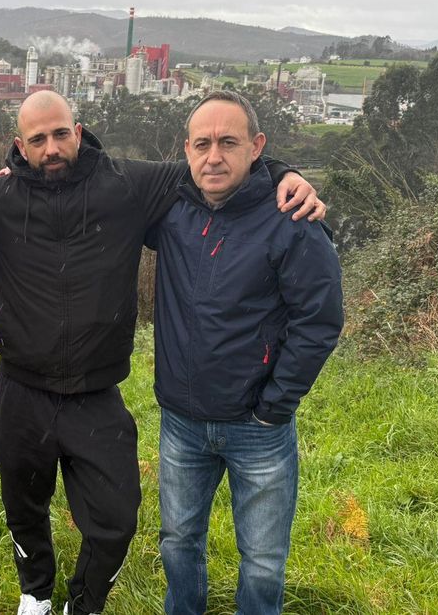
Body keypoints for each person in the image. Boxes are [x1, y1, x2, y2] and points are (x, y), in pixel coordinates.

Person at [0, 90, 323, 614]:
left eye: (60, 133)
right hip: (21, 389)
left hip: (96, 391)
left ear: (79, 129)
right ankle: (36, 592)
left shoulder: (128, 184)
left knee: (117, 520)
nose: (51, 147)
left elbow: (214, 165)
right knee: (23, 505)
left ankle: (84, 603)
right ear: (19, 147)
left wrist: (283, 172)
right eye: (38, 139)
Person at [146, 90, 343, 615]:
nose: (214, 156)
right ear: (185, 149)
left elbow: (319, 320)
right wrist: (16, 171)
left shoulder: (293, 219)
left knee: (261, 561)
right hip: (181, 421)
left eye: (229, 142)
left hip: (258, 428)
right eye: (203, 144)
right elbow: (95, 179)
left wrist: (274, 405)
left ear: (256, 147)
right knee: (177, 542)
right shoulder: (168, 209)